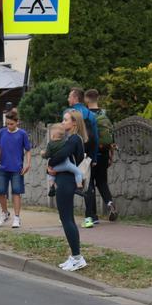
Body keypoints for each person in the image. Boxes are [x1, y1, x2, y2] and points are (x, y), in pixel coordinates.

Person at [47, 109, 89, 271]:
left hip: (66, 180)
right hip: (64, 179)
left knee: (66, 219)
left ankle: (78, 257)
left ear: (74, 123)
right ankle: (75, 255)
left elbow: (59, 156)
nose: (63, 123)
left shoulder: (73, 140)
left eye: (66, 120)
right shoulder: (70, 139)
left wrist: (50, 163)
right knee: (67, 218)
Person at [67, 87, 99, 228]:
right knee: (88, 185)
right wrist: (94, 157)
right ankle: (90, 217)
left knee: (67, 185)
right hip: (87, 156)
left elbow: (63, 134)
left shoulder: (68, 114)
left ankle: (67, 218)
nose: (68, 99)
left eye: (69, 96)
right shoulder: (90, 114)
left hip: (72, 156)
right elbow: (96, 138)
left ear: (75, 98)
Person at [85, 89, 118, 222]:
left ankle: (93, 216)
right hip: (104, 153)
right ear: (97, 98)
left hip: (90, 154)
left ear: (87, 99)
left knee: (90, 184)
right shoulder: (105, 114)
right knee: (102, 182)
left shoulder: (86, 115)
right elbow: (111, 137)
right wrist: (111, 155)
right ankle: (110, 204)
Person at [0, 110, 31, 228]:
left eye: (11, 124)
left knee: (16, 192)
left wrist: (28, 164)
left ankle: (17, 217)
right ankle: (5, 213)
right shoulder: (1, 132)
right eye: (7, 124)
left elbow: (28, 150)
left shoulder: (22, 134)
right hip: (3, 167)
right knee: (0, 191)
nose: (9, 126)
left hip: (17, 168)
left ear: (17, 122)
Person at [41, 123, 85, 197]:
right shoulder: (66, 142)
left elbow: (47, 155)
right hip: (67, 165)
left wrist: (42, 154)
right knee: (78, 172)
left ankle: (52, 186)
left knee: (50, 174)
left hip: (56, 167)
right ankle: (79, 187)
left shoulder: (50, 144)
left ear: (53, 135)